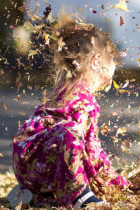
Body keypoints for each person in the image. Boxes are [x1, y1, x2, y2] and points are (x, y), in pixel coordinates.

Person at [10, 14, 128, 208]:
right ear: (97, 61)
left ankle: (37, 195)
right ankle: (79, 196)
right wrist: (118, 183)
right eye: (113, 58)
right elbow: (92, 152)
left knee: (70, 137)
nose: (116, 63)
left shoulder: (67, 88)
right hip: (35, 159)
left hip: (29, 164)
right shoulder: (84, 100)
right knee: (71, 132)